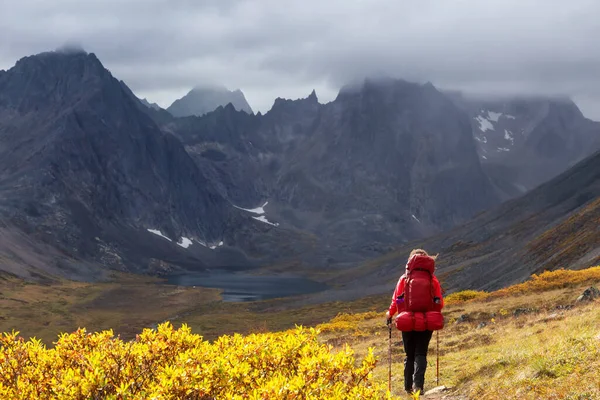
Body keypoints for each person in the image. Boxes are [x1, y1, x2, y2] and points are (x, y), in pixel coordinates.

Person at [385, 249, 444, 395]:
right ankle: (418, 386)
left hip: (407, 321)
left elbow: (396, 300)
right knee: (421, 353)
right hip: (426, 321)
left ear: (410, 262)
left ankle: (407, 387)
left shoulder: (404, 279)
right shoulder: (432, 280)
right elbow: (439, 303)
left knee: (409, 354)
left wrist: (389, 314)